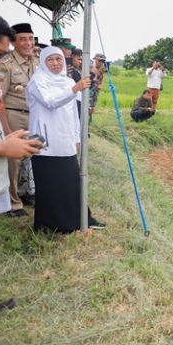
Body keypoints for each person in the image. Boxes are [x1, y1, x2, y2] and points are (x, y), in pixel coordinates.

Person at [0, 12, 43, 316]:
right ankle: (13, 200)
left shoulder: (33, 64)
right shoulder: (3, 71)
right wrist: (5, 141)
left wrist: (8, 138)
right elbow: (0, 105)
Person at [26, 47, 105, 233]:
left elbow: (73, 114)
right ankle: (51, 225)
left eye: (59, 59)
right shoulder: (38, 81)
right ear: (44, 62)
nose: (55, 63)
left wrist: (77, 138)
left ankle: (76, 220)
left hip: (65, 140)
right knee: (49, 185)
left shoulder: (67, 81)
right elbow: (50, 102)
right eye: (51, 60)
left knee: (70, 183)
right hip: (44, 141)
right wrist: (75, 88)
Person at [0, 22, 40, 217]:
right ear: (14, 42)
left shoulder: (37, 62)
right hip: (13, 115)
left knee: (33, 156)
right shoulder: (5, 65)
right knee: (13, 162)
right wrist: (6, 130)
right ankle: (14, 203)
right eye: (23, 39)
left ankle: (28, 192)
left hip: (35, 116)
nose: (28, 43)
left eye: (31, 38)